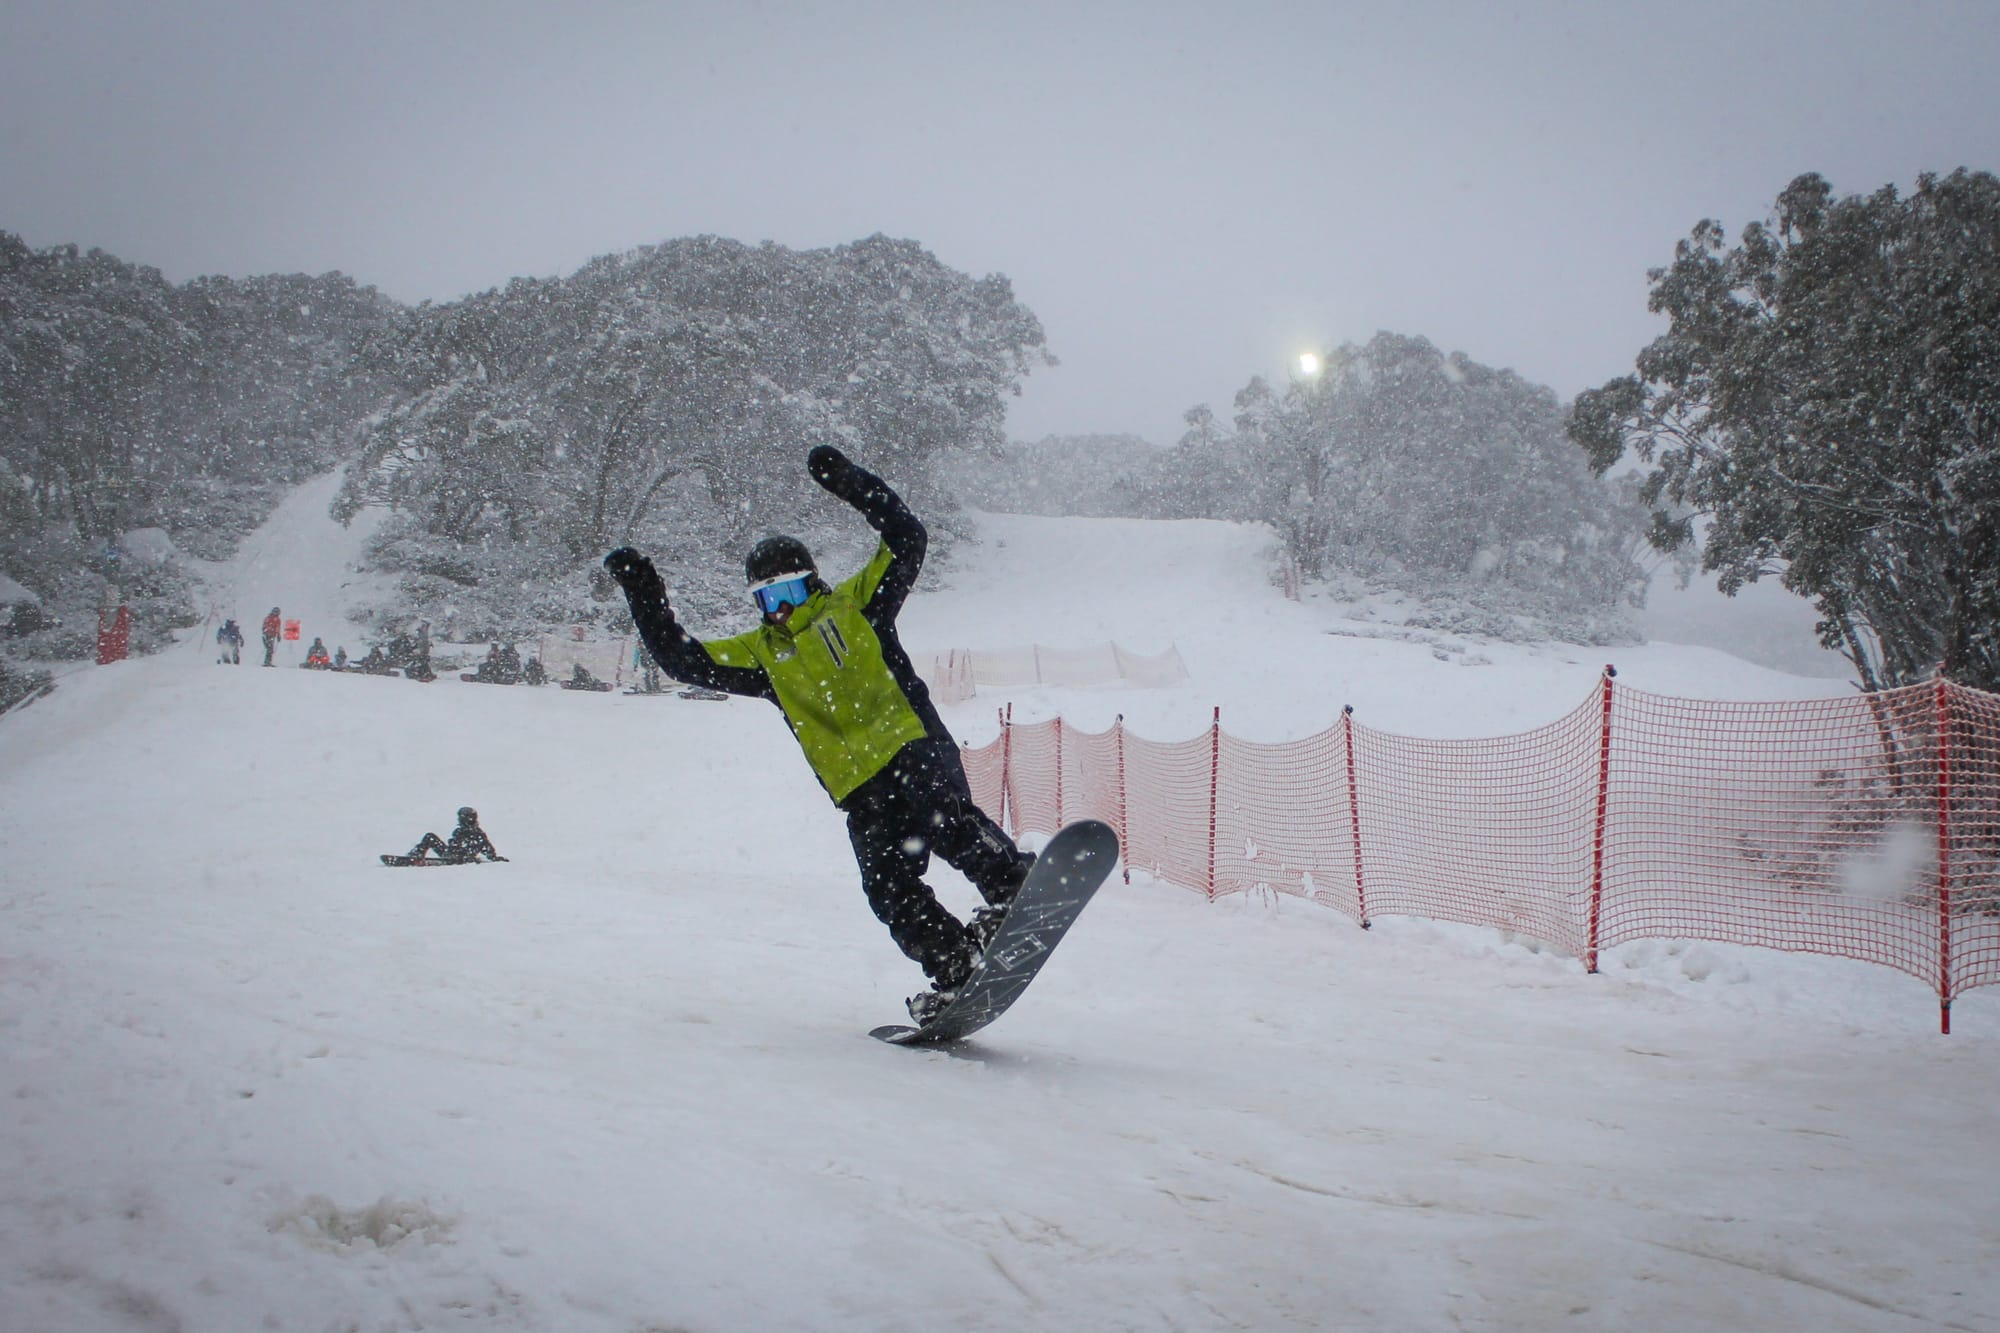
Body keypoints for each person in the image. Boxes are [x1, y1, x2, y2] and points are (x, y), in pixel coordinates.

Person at [605, 444, 1034, 1025]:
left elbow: (908, 538)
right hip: (860, 788)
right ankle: (954, 962)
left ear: (813, 583)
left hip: (910, 746)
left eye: (788, 594)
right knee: (887, 889)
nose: (779, 611)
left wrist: (849, 483)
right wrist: (643, 591)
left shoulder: (857, 606)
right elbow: (685, 662)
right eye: (766, 601)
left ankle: (1011, 886)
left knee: (944, 818)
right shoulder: (762, 655)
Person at [406, 807, 507, 864]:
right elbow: (488, 850)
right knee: (430, 836)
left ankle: (415, 858)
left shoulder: (469, 833)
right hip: (454, 857)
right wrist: (494, 858)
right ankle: (415, 857)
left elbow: (456, 847)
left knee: (430, 837)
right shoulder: (478, 834)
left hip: (454, 859)